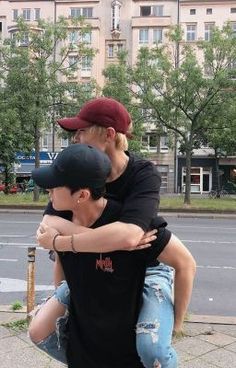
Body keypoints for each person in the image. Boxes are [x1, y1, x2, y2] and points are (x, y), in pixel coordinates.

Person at [30, 97, 192, 368]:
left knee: (151, 347)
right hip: (91, 265)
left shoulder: (142, 174)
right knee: (40, 328)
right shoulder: (78, 171)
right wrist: (107, 239)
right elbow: (49, 221)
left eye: (82, 131)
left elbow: (133, 237)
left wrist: (176, 324)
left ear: (108, 134)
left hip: (145, 267)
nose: (76, 138)